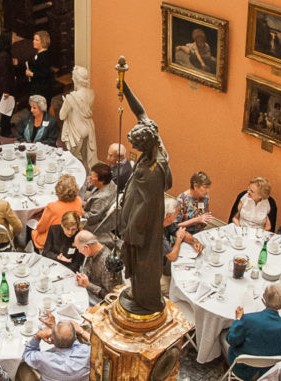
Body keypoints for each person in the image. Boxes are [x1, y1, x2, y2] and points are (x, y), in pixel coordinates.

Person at [117, 78, 172, 315]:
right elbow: (140, 111)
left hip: (144, 228)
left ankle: (146, 299)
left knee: (143, 262)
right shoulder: (154, 139)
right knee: (138, 262)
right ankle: (138, 293)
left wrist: (131, 231)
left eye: (136, 147)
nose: (135, 151)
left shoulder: (152, 172)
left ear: (145, 144)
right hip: (137, 210)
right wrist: (124, 85)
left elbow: (146, 207)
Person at [15, 313, 90, 381]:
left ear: (52, 340)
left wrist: (38, 336)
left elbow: (27, 354)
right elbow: (94, 342)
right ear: (75, 336)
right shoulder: (87, 351)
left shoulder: (44, 359)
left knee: (22, 367)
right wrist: (81, 331)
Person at [225, 283, 281, 380]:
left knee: (224, 333)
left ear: (263, 300)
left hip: (242, 368)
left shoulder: (247, 319)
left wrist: (238, 319)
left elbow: (231, 339)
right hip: (270, 371)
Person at [161, 196, 203, 296]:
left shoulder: (167, 222)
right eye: (176, 213)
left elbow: (182, 232)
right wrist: (178, 239)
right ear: (168, 215)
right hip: (150, 269)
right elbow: (172, 256)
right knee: (171, 292)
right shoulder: (157, 231)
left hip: (163, 260)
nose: (177, 216)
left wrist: (194, 241)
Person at [59, 65, 98, 169]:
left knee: (74, 160)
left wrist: (66, 103)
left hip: (77, 131)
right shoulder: (91, 93)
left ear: (75, 79)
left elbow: (62, 116)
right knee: (86, 159)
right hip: (88, 128)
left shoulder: (71, 97)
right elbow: (86, 110)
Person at [33, 174, 82, 251]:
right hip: (71, 236)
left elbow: (40, 229)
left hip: (55, 240)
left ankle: (35, 253)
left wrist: (38, 219)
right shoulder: (78, 201)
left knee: (32, 229)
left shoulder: (52, 206)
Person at [74, 230, 123, 303]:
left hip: (101, 302)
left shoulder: (107, 265)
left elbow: (112, 296)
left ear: (86, 247)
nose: (79, 252)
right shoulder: (95, 252)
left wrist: (88, 285)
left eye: (79, 249)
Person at [80, 163, 117, 247]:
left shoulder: (102, 198)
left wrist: (80, 210)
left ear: (101, 181)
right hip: (97, 207)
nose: (90, 177)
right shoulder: (110, 183)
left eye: (93, 176)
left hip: (95, 224)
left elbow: (91, 219)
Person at [0, 32, 17, 135]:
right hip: (5, 85)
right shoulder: (3, 56)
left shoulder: (3, 53)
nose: (15, 39)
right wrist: (6, 91)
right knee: (7, 106)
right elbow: (5, 74)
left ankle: (5, 124)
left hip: (5, 83)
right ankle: (5, 130)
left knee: (7, 106)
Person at [24, 30, 54, 103]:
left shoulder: (44, 56)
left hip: (42, 89)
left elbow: (45, 73)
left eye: (36, 40)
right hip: (37, 87)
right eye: (34, 39)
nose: (33, 41)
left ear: (43, 41)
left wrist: (32, 74)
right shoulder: (38, 54)